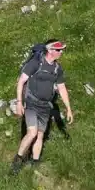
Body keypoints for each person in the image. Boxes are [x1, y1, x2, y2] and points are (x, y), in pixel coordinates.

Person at [10, 39, 73, 174]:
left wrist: (68, 108)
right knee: (32, 133)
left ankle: (35, 163)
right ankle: (17, 161)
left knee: (39, 135)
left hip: (45, 107)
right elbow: (21, 81)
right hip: (32, 103)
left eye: (62, 50)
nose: (61, 52)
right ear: (50, 50)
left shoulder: (57, 69)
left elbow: (62, 88)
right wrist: (19, 102)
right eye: (58, 50)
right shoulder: (35, 63)